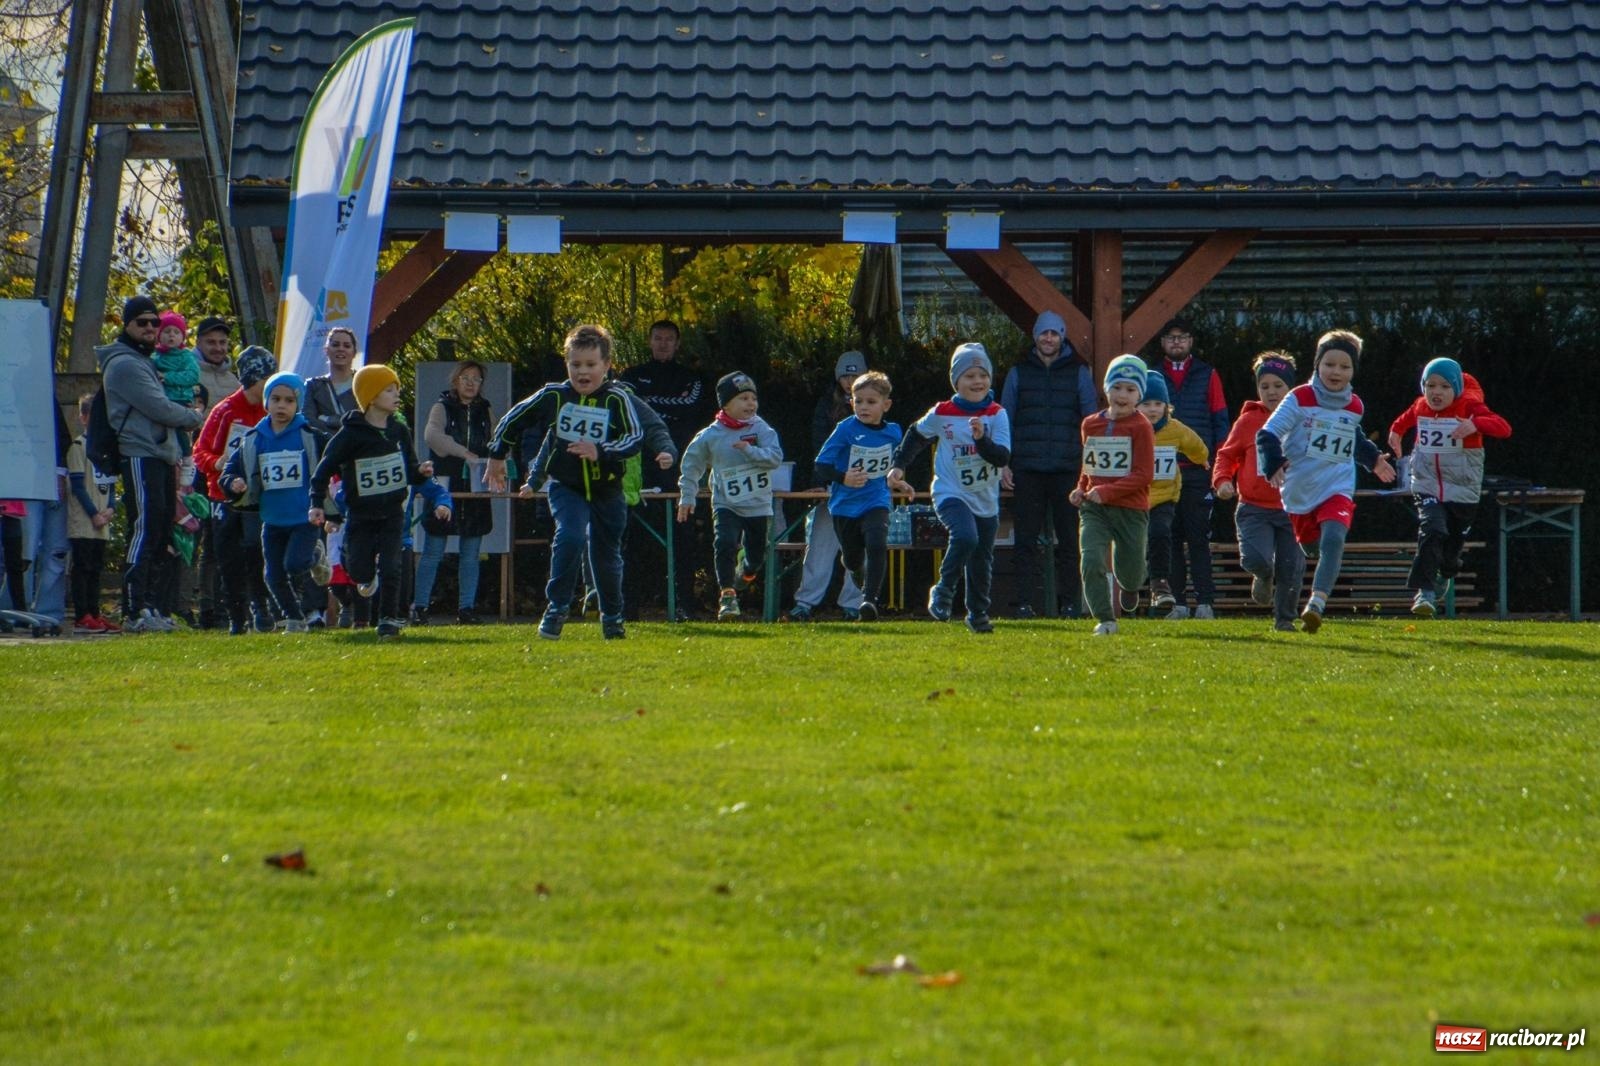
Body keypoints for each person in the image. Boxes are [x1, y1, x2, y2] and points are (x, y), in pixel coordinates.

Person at [485, 323, 643, 640]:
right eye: (575, 365)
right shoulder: (555, 395)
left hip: (607, 490)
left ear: (607, 365)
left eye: (590, 365)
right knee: (570, 536)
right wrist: (498, 454)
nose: (582, 373)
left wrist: (601, 450)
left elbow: (635, 437)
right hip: (566, 487)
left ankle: (612, 616)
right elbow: (514, 418)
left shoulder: (617, 399)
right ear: (566, 364)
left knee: (606, 555)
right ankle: (557, 608)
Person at [1258, 330, 1397, 633]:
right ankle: (1307, 575)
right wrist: (1273, 463)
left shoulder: (1355, 406)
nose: (1336, 372)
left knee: (1334, 539)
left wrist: (1374, 460)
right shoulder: (1299, 397)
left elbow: (1354, 438)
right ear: (1317, 365)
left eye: (1345, 367)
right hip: (1298, 489)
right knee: (1311, 548)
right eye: (1330, 365)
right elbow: (1267, 434)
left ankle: (1316, 604)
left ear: (1353, 371)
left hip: (1337, 484)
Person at [311, 364, 449, 640]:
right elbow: (323, 470)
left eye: (397, 388)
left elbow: (409, 468)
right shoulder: (350, 434)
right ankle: (364, 578)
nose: (397, 394)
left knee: (391, 566)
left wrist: (420, 472)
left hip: (392, 513)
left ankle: (389, 619)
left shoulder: (399, 430)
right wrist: (317, 503)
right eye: (389, 389)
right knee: (358, 568)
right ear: (371, 396)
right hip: (360, 514)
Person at [98, 295, 205, 633]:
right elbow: (159, 407)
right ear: (126, 325)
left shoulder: (146, 362)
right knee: (145, 528)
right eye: (141, 322)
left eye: (153, 323)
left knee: (160, 529)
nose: (149, 328)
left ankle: (151, 605)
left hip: (160, 454)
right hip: (140, 454)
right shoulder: (126, 364)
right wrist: (193, 417)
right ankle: (133, 610)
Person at [889, 342, 1011, 634]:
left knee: (982, 558)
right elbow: (916, 435)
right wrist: (898, 466)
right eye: (969, 376)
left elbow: (1002, 457)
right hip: (950, 492)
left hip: (985, 497)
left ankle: (978, 614)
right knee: (966, 537)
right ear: (956, 380)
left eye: (982, 375)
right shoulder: (943, 412)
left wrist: (981, 440)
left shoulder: (997, 414)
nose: (977, 381)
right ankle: (943, 590)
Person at [1386, 357, 1511, 617]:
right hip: (1427, 483)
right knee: (1432, 529)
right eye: (1430, 386)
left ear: (1455, 388)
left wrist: (1475, 424)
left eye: (1444, 386)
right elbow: (1405, 419)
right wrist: (1396, 432)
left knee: (1452, 545)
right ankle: (1425, 593)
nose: (1436, 393)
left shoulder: (1470, 406)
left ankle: (1447, 571)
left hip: (1463, 487)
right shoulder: (1421, 406)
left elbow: (1503, 428)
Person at [999, 310, 1098, 618]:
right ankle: (1025, 602)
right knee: (1025, 540)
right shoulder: (1018, 373)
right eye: (1044, 333)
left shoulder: (1079, 372)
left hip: (1068, 468)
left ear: (1062, 336)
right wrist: (1004, 464)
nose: (1049, 338)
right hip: (1027, 468)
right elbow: (1005, 420)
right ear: (1036, 336)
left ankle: (1070, 603)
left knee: (1070, 541)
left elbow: (1090, 421)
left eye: (1054, 333)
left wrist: (1088, 468)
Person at [618, 320, 715, 618]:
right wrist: (656, 410)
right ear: (649, 341)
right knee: (633, 535)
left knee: (683, 537)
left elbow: (690, 406)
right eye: (658, 338)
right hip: (641, 468)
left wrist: (649, 406)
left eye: (669, 339)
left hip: (681, 469)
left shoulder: (693, 378)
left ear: (677, 343)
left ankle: (685, 602)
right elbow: (627, 407)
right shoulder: (632, 376)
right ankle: (629, 604)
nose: (663, 343)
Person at [223, 372, 328, 634]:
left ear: (298, 404)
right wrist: (233, 482)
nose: (282, 406)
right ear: (266, 402)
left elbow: (335, 457)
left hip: (304, 517)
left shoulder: (310, 435)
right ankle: (294, 618)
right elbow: (230, 469)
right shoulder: (254, 438)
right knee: (273, 575)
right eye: (276, 399)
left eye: (289, 401)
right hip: (271, 518)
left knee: (294, 564)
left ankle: (315, 555)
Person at [677, 372, 785, 621]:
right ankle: (727, 596)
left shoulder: (762, 428)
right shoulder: (710, 435)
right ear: (725, 404)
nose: (751, 404)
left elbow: (775, 457)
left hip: (758, 505)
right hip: (726, 503)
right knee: (724, 541)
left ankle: (746, 570)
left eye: (753, 398)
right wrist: (688, 496)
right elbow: (691, 465)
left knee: (756, 557)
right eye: (743, 399)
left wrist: (751, 452)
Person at [1213, 352, 1305, 632]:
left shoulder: (1303, 418)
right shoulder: (1248, 421)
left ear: (1290, 388)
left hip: (1293, 507)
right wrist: (1222, 481)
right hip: (1253, 507)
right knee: (1256, 558)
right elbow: (1226, 455)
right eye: (1264, 386)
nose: (1271, 392)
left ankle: (1285, 619)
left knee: (1291, 566)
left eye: (1278, 385)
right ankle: (1263, 575)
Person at [1070, 355, 1156, 636]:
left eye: (1131, 390)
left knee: (1131, 571)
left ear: (1139, 395)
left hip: (1130, 508)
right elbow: (1089, 465)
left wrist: (1106, 491)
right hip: (1094, 509)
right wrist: (1081, 488)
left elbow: (1144, 474)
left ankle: (1130, 587)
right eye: (1117, 387)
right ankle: (1105, 619)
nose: (1122, 395)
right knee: (1091, 559)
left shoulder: (1141, 426)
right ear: (1106, 389)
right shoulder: (1090, 424)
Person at [194, 345, 277, 635]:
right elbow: (200, 452)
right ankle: (236, 617)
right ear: (254, 379)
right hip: (223, 497)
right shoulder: (225, 411)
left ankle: (261, 608)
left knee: (256, 552)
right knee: (227, 557)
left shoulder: (273, 411)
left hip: (258, 498)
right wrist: (219, 463)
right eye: (268, 377)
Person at [813, 370, 903, 620]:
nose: (864, 407)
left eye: (871, 402)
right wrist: (844, 477)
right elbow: (821, 464)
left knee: (876, 543)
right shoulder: (845, 429)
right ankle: (853, 567)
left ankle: (869, 601)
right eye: (858, 401)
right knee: (852, 558)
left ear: (886, 405)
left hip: (876, 500)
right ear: (851, 403)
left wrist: (898, 478)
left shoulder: (894, 433)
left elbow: (895, 463)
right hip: (845, 505)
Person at [1155, 319, 1230, 619]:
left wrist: (1220, 462)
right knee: (1169, 536)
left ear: (1191, 341)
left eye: (1182, 337)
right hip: (1162, 470)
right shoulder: (1152, 375)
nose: (1176, 342)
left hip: (1199, 468)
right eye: (1170, 338)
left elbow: (1220, 419)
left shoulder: (1207, 374)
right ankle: (1177, 603)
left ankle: (1206, 602)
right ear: (1162, 342)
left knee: (1199, 537)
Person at [412, 360, 496, 625]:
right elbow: (433, 438)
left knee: (471, 552)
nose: (471, 383)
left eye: (476, 379)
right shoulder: (442, 406)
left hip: (476, 484)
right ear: (455, 381)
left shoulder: (486, 410)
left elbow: (497, 442)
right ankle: (420, 607)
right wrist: (464, 453)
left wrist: (497, 466)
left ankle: (466, 609)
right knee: (433, 549)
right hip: (445, 483)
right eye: (466, 378)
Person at [789, 350, 869, 622]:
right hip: (834, 488)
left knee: (858, 548)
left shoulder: (873, 403)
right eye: (846, 375)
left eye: (855, 374)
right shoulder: (826, 405)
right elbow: (820, 446)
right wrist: (821, 483)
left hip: (863, 490)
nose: (849, 381)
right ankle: (806, 602)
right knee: (820, 544)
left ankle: (854, 603)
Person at [1137, 371, 1209, 617]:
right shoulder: (1129, 428)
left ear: (1167, 406)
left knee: (1160, 532)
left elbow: (1195, 444)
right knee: (1134, 544)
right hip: (1133, 498)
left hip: (1166, 495)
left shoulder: (1175, 428)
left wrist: (1202, 460)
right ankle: (1131, 583)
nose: (1153, 409)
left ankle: (1159, 584)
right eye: (1146, 404)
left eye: (1158, 404)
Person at [190, 315, 238, 627]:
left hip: (228, 469)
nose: (218, 348)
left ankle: (222, 605)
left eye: (222, 342)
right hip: (195, 466)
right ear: (199, 343)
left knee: (222, 541)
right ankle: (197, 606)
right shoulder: (190, 374)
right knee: (196, 538)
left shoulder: (235, 381)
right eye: (211, 342)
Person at [66, 394, 119, 633]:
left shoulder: (106, 447)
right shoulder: (78, 447)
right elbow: (78, 485)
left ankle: (95, 613)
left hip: (102, 519)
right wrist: (93, 513)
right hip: (84, 520)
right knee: (83, 566)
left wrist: (110, 508)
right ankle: (82, 614)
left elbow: (110, 482)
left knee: (96, 568)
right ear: (84, 417)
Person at [304, 327, 361, 435]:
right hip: (326, 448)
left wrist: (326, 419)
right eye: (335, 345)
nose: (341, 349)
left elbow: (367, 420)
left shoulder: (363, 383)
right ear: (326, 350)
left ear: (354, 352)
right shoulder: (313, 386)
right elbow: (309, 421)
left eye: (347, 346)